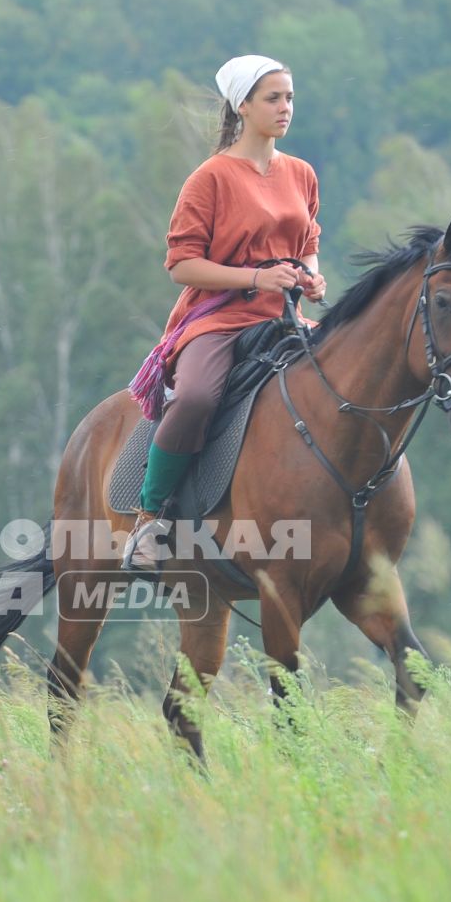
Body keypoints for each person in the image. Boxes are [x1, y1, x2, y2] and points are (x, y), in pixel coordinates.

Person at [122, 54, 328, 573]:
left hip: (284, 318)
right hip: (219, 319)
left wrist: (312, 274)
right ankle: (150, 520)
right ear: (243, 106)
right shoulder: (209, 179)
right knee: (193, 398)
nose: (286, 108)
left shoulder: (302, 174)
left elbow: (307, 242)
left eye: (290, 98)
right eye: (273, 99)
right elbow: (182, 265)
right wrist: (255, 278)